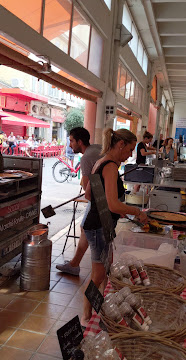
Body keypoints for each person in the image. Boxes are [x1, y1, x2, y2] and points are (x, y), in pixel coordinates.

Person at [81, 128, 147, 327]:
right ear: (120, 145)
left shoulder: (101, 162)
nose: (129, 155)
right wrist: (137, 212)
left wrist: (112, 209)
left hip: (99, 223)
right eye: (129, 150)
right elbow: (112, 204)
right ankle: (86, 316)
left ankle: (95, 310)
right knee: (98, 275)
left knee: (101, 274)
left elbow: (88, 195)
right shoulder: (109, 166)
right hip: (98, 226)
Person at [56, 127, 102, 276]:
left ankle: (84, 268)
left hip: (100, 199)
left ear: (79, 142)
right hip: (103, 195)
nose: (70, 145)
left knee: (89, 230)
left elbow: (86, 188)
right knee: (84, 228)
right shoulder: (97, 148)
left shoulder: (86, 157)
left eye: (71, 141)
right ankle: (74, 264)